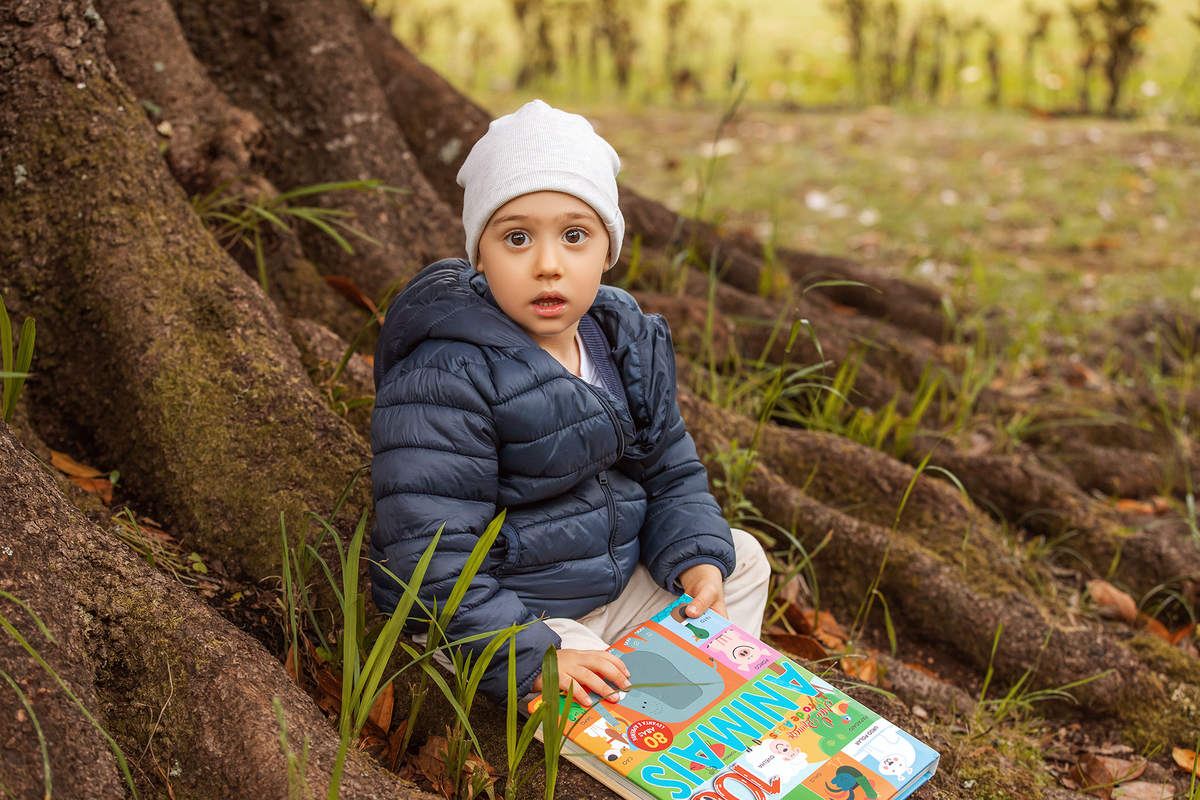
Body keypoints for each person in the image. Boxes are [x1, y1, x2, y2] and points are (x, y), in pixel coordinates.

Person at [369, 99, 770, 707]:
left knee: (740, 560)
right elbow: (429, 557)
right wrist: (532, 654)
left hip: (616, 585)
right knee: (589, 684)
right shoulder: (448, 371)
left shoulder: (620, 339)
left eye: (575, 235)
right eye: (517, 238)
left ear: (607, 248)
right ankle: (637, 727)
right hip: (519, 617)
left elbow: (671, 471)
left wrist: (693, 558)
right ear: (480, 254)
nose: (548, 264)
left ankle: (708, 709)